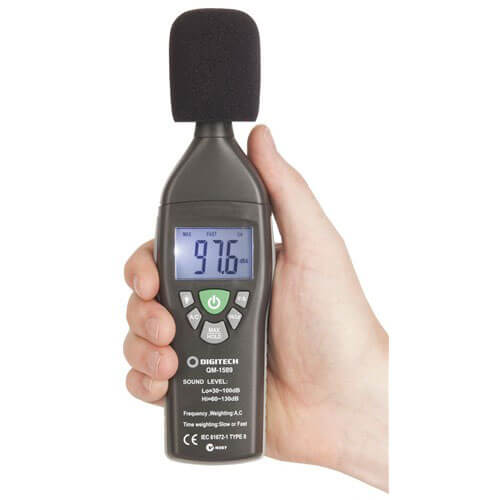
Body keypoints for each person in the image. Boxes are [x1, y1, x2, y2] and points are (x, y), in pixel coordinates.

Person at [123, 126, 389, 491]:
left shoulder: (200, 185)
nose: (213, 304)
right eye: (200, 256)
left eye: (228, 254)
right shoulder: (226, 185)